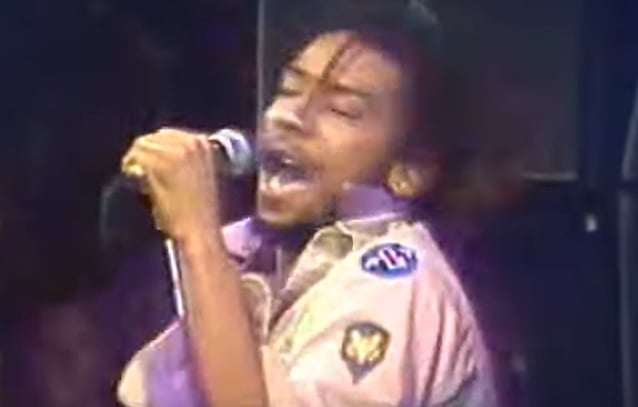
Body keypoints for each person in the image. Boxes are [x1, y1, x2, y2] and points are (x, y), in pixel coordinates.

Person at [116, 8, 498, 407]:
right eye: (288, 90)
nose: (289, 117)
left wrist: (199, 238)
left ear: (409, 171)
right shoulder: (256, 257)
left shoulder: (400, 285)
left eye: (341, 110)